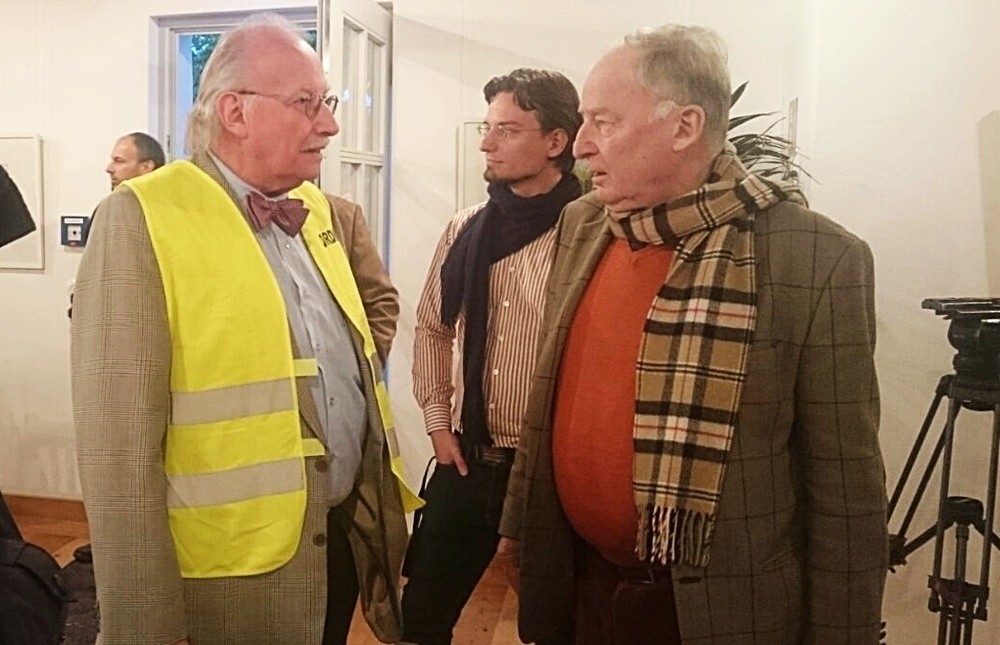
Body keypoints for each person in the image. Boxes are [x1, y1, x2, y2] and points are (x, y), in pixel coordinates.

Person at [498, 24, 888, 645]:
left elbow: (845, 488)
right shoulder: (585, 224)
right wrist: (518, 525)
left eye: (603, 122)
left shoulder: (815, 257)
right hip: (582, 586)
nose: (581, 145)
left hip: (718, 612)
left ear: (684, 126)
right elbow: (547, 397)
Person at [71, 15, 420, 645]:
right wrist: (143, 625)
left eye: (328, 102)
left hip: (337, 536)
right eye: (307, 103)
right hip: (226, 573)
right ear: (235, 112)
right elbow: (117, 454)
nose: (330, 125)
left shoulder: (316, 209)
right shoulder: (138, 218)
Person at [401, 68, 582, 644]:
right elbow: (432, 328)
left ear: (555, 141)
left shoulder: (588, 231)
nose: (486, 143)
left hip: (552, 468)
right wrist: (438, 426)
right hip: (468, 459)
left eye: (506, 130)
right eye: (487, 128)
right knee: (421, 619)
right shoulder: (466, 228)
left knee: (558, 624)